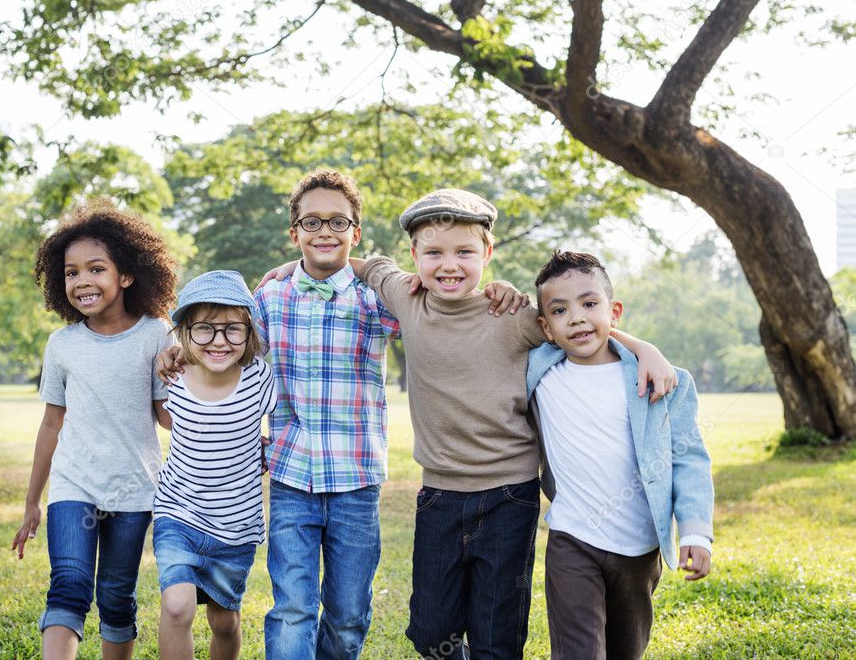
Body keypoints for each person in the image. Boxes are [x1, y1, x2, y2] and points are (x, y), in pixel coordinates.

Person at [260, 187, 675, 659]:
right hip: (439, 495)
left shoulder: (513, 315)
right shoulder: (405, 298)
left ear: (488, 254)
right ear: (414, 256)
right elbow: (367, 264)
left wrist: (644, 347)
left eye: (464, 252)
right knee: (431, 630)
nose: (448, 265)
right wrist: (291, 271)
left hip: (510, 495)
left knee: (496, 633)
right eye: (433, 253)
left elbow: (576, 323)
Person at [159, 169, 520, 659]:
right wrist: (172, 348)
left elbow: (448, 308)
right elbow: (219, 334)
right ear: (295, 234)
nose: (324, 231)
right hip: (291, 477)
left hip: (357, 480)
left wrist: (501, 293)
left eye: (338, 222)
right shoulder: (270, 297)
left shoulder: (383, 298)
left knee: (349, 615)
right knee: (292, 608)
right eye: (312, 222)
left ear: (356, 232)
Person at [527, 250, 714, 660]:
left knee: (626, 651)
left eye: (589, 304)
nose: (576, 317)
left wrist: (696, 531)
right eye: (560, 310)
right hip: (572, 540)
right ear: (546, 326)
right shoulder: (540, 370)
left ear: (614, 310)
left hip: (640, 547)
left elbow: (690, 459)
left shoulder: (662, 381)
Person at [11, 205, 178, 660]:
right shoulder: (62, 344)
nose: (81, 280)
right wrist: (32, 501)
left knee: (116, 595)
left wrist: (210, 406)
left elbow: (166, 414)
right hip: (74, 484)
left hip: (134, 489)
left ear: (126, 275)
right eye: (71, 273)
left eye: (95, 269)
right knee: (68, 582)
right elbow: (51, 424)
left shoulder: (156, 334)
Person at [153, 270, 277, 660]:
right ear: (185, 332)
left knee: (224, 623)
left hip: (235, 527)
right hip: (178, 515)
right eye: (204, 329)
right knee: (177, 607)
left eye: (231, 330)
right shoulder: (172, 376)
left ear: (249, 331)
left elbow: (284, 430)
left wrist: (262, 449)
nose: (219, 341)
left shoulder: (259, 377)